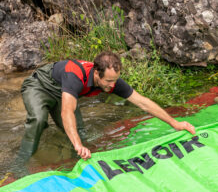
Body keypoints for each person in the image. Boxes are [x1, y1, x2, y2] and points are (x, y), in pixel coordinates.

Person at [15, 51, 195, 167]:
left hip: (65, 93)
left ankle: (73, 165)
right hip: (40, 86)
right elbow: (67, 111)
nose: (112, 85)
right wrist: (78, 145)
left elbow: (143, 102)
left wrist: (175, 123)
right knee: (39, 119)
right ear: (96, 73)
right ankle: (20, 164)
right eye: (108, 81)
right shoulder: (75, 75)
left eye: (115, 80)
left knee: (80, 133)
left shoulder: (112, 81)